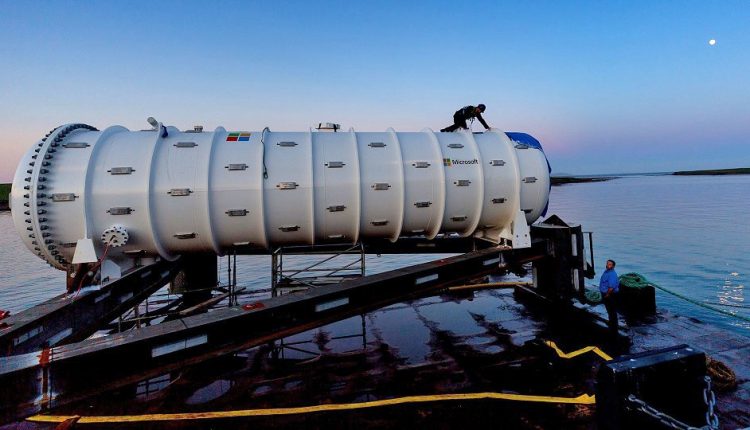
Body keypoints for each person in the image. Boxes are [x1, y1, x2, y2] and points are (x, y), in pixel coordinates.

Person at [599, 259, 620, 334]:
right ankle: (611, 322)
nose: (608, 265)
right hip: (607, 293)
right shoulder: (607, 271)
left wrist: (607, 294)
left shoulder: (612, 274)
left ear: (613, 266)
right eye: (607, 264)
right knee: (609, 309)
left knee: (612, 310)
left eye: (610, 264)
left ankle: (613, 326)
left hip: (610, 294)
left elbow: (611, 287)